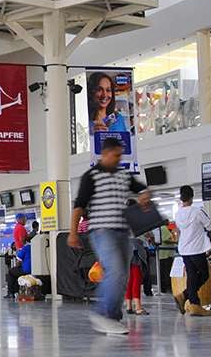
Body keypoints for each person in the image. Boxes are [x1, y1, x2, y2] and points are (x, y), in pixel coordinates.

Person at [68, 137, 150, 335]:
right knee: (115, 271)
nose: (118, 159)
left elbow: (140, 188)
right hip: (102, 231)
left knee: (123, 275)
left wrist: (144, 194)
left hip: (122, 232)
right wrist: (73, 233)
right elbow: (79, 206)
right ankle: (103, 314)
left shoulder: (123, 175)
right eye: (116, 155)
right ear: (105, 154)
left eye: (120, 156)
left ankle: (112, 316)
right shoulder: (92, 176)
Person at [173, 186, 211, 316]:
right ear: (192, 197)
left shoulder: (178, 214)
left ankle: (191, 300)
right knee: (204, 274)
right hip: (197, 249)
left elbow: (179, 229)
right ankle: (188, 298)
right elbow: (209, 226)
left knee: (192, 275)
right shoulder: (197, 212)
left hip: (184, 249)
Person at [125, 238, 149, 315]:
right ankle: (138, 307)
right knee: (136, 280)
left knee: (130, 280)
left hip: (126, 249)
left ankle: (129, 306)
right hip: (135, 252)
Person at [158, 224, 176, 293]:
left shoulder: (161, 228)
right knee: (167, 272)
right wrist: (176, 242)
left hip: (163, 254)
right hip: (166, 254)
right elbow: (165, 239)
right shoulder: (164, 228)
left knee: (163, 272)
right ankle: (167, 288)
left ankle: (163, 288)